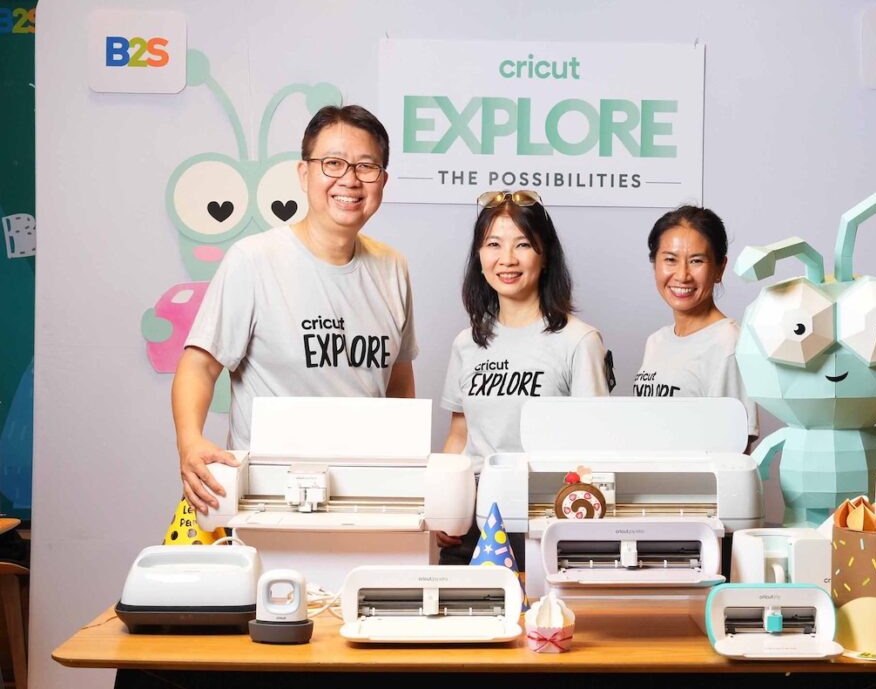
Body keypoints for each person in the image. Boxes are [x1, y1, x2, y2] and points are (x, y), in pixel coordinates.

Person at [173, 105, 417, 516]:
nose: (350, 180)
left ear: (382, 181)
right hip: (267, 500)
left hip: (366, 497)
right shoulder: (253, 261)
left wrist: (407, 475)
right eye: (333, 163)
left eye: (366, 166)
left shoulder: (393, 267)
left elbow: (398, 382)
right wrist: (190, 442)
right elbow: (199, 365)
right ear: (304, 174)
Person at [438, 190, 611, 566]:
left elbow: (595, 448)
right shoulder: (466, 343)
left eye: (523, 245)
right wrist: (443, 503)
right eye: (494, 244)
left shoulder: (578, 341)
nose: (507, 259)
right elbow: (459, 435)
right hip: (474, 519)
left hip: (545, 518)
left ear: (545, 256)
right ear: (479, 256)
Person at [632, 205, 758, 446]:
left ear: (720, 268)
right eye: (670, 260)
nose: (682, 275)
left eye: (696, 261)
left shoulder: (730, 343)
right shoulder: (656, 341)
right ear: (654, 264)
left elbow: (736, 449)